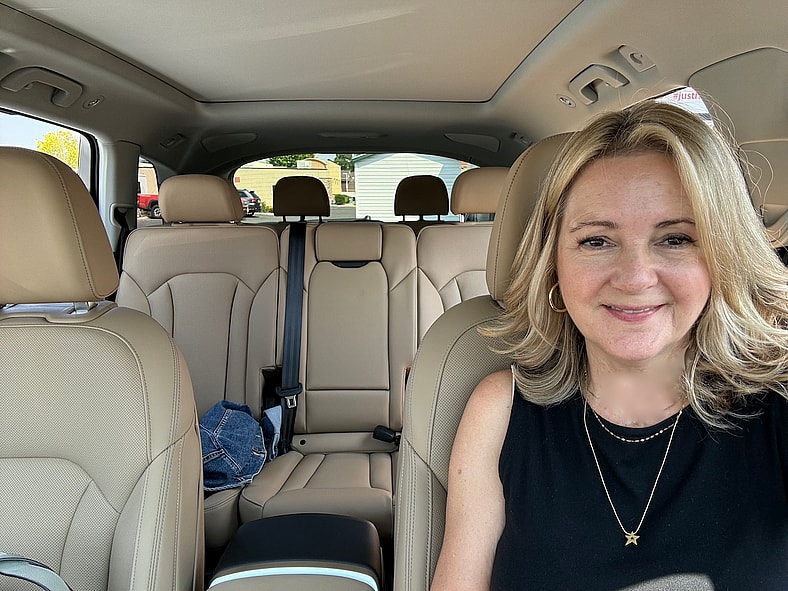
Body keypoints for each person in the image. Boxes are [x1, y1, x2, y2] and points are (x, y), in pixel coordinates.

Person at [431, 100, 788, 590]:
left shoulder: (778, 406)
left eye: (677, 239)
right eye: (597, 241)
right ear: (552, 262)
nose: (636, 277)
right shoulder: (500, 411)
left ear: (722, 255)